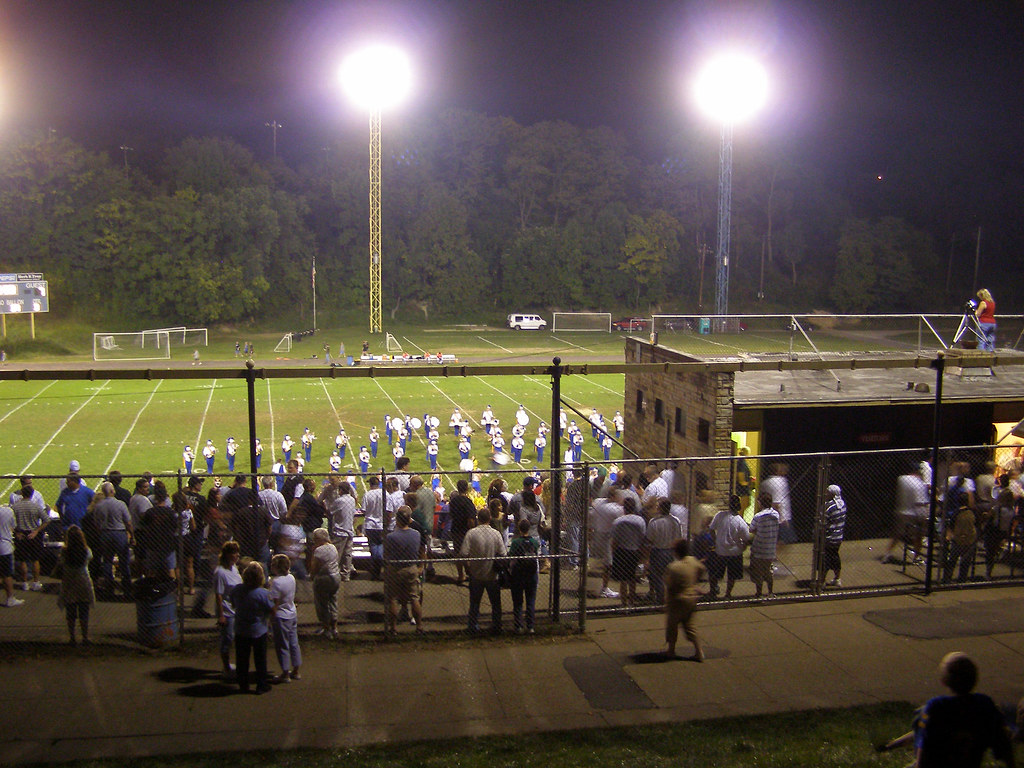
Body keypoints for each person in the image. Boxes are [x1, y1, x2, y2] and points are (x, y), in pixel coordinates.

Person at [913, 652, 1014, 768]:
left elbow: (925, 750)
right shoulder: (984, 705)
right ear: (975, 679)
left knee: (921, 714)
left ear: (944, 680)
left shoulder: (936, 707)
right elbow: (1003, 744)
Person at [229, 561, 274, 695]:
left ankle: (243, 684)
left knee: (242, 659)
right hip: (258, 630)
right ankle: (261, 685)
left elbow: (233, 603)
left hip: (241, 629)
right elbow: (271, 609)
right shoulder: (262, 593)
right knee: (260, 659)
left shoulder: (237, 589)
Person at [461, 504, 507, 634]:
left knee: (475, 603)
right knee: (495, 603)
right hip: (492, 574)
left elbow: (463, 553)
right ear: (490, 518)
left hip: (476, 573)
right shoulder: (496, 534)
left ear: (478, 518)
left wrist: (467, 567)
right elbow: (503, 554)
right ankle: (497, 625)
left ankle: (473, 626)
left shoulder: (471, 533)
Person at [383, 506, 425, 636]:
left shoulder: (391, 537)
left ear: (398, 520)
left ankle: (393, 628)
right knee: (414, 598)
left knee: (393, 599)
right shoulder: (416, 534)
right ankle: (419, 626)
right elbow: (421, 551)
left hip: (395, 568)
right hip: (411, 568)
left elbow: (386, 554)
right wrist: (420, 566)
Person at [663, 538, 705, 661]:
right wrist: (694, 582)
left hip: (677, 599)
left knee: (672, 625)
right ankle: (699, 652)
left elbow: (669, 584)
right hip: (691, 598)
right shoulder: (693, 561)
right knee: (690, 626)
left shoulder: (673, 567)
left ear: (676, 552)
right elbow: (702, 569)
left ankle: (671, 650)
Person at [92, 481, 134, 596]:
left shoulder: (99, 506)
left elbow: (96, 523)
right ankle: (127, 588)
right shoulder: (120, 504)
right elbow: (128, 522)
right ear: (112, 491)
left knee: (107, 561)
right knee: (124, 562)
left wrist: (102, 533)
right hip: (119, 533)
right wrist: (132, 535)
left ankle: (109, 587)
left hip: (106, 534)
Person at [57, 525, 95, 646]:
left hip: (69, 582)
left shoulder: (65, 551)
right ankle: (85, 636)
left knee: (71, 611)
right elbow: (90, 559)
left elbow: (61, 563)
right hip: (83, 581)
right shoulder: (86, 550)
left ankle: (72, 637)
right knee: (84, 611)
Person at [708, 495, 750, 599]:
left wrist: (716, 541)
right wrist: (743, 547)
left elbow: (711, 529)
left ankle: (713, 591)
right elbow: (746, 538)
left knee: (715, 573)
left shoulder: (720, 515)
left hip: (720, 550)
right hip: (735, 552)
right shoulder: (740, 521)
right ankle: (728, 594)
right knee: (732, 575)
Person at [213, 541, 242, 680]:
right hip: (227, 610)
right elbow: (218, 595)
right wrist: (221, 615)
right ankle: (226, 667)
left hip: (237, 609)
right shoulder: (220, 572)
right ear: (227, 555)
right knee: (227, 638)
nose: (237, 555)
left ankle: (232, 665)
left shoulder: (234, 568)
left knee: (236, 637)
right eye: (234, 553)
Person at [610, 497, 647, 607]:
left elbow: (615, 540)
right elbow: (643, 538)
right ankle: (631, 601)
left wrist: (613, 552)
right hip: (634, 551)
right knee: (632, 578)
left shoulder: (618, 521)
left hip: (621, 551)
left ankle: (624, 603)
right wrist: (643, 554)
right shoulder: (640, 520)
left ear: (624, 508)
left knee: (623, 580)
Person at [645, 499, 682, 605]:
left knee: (658, 576)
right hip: (671, 551)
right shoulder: (676, 521)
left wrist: (647, 556)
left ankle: (660, 599)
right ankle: (672, 597)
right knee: (670, 576)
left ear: (661, 508)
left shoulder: (654, 521)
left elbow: (650, 539)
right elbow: (679, 536)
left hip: (658, 551)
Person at [12, 484, 49, 591]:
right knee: (35, 560)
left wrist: (16, 532)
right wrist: (37, 531)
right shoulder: (36, 506)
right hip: (33, 534)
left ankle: (24, 583)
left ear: (22, 494)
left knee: (22, 560)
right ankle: (36, 582)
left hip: (21, 534)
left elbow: (10, 521)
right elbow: (47, 520)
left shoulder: (15, 506)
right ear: (32, 494)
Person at [508, 517, 539, 634]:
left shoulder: (516, 542)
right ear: (529, 528)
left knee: (518, 601)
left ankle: (518, 626)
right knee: (530, 601)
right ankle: (530, 626)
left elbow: (511, 556)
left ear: (519, 529)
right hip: (531, 574)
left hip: (518, 574)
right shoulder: (534, 542)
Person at [309, 528, 340, 639]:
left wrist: (312, 576)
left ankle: (326, 628)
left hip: (324, 578)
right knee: (333, 601)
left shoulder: (319, 550)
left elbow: (315, 566)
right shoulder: (333, 547)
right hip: (335, 576)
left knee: (322, 604)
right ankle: (334, 628)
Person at [748, 491, 779, 598]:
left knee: (758, 572)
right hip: (770, 549)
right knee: (768, 571)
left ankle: (759, 593)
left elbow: (751, 529)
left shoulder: (758, 516)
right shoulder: (776, 514)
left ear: (760, 503)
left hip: (759, 549)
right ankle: (770, 592)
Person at [818, 485, 847, 589]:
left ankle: (822, 581)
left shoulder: (827, 507)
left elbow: (822, 523)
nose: (826, 494)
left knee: (825, 559)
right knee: (835, 557)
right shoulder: (842, 504)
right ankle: (837, 579)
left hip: (828, 538)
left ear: (832, 494)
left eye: (828, 492)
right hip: (838, 537)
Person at [448, 479, 475, 585]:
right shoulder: (468, 502)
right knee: (468, 553)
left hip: (456, 528)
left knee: (458, 552)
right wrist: (472, 529)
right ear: (466, 488)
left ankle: (461, 575)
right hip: (465, 530)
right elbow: (471, 519)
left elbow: (451, 515)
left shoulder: (453, 501)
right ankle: (469, 571)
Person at [0, 498, 24, 607]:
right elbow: (13, 526)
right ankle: (10, 598)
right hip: (5, 547)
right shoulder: (8, 511)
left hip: (4, 545)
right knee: (7, 574)